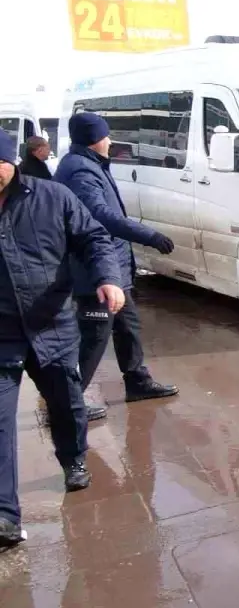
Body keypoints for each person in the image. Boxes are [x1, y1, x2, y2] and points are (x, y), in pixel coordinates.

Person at [0, 131, 126, 549]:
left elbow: (93, 239)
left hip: (52, 324)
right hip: (1, 335)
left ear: (11, 163)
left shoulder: (53, 198)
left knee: (66, 402)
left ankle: (73, 459)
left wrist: (108, 278)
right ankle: (4, 515)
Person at [54, 112, 178, 416]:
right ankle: (66, 402)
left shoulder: (89, 164)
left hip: (113, 269)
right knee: (95, 335)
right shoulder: (81, 171)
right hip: (95, 270)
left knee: (128, 327)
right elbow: (101, 216)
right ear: (93, 139)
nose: (110, 141)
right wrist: (148, 235)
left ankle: (137, 381)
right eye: (105, 135)